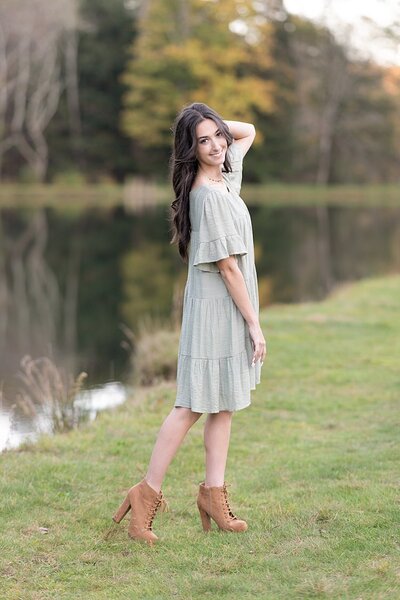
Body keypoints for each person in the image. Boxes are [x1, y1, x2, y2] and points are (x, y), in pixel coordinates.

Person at [112, 102, 266, 544]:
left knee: (225, 403)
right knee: (192, 405)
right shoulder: (206, 193)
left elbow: (248, 130)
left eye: (218, 135)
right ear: (190, 149)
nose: (218, 144)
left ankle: (213, 496)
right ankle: (146, 494)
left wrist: (204, 118)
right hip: (218, 307)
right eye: (204, 141)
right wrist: (255, 325)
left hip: (227, 304)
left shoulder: (223, 173)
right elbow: (228, 268)